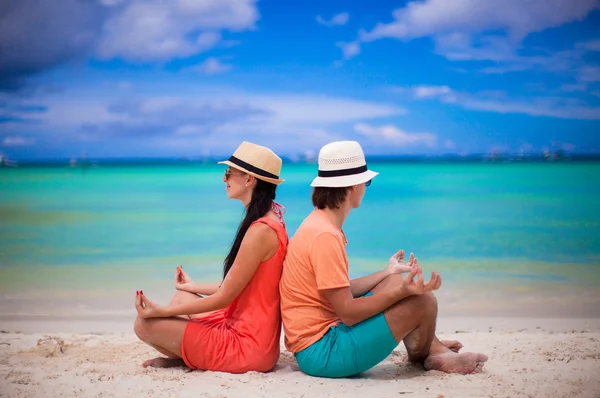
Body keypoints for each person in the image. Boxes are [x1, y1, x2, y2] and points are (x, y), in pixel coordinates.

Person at [279, 140, 488, 378]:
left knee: (395, 282)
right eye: (366, 182)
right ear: (354, 185)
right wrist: (403, 293)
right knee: (423, 301)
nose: (366, 188)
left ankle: (433, 346)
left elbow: (337, 290)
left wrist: (387, 273)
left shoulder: (318, 223)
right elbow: (347, 312)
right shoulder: (325, 235)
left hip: (316, 342)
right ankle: (428, 354)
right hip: (322, 352)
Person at [134, 141, 288, 374]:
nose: (224, 179)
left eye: (228, 173)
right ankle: (191, 357)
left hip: (248, 347)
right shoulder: (271, 219)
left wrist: (160, 312)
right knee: (182, 296)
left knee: (143, 325)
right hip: (250, 332)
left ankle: (192, 358)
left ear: (249, 179)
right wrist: (194, 286)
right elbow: (239, 285)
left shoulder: (261, 231)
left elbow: (225, 297)